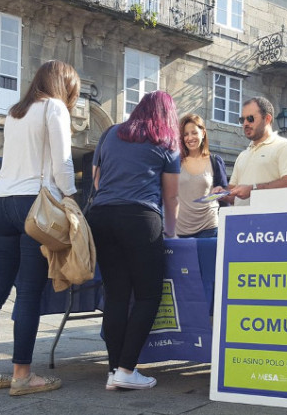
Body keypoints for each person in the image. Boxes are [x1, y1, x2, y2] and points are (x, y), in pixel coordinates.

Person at [0, 60, 79, 396]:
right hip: (33, 204)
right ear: (64, 85)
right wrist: (72, 201)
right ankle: (23, 375)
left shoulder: (14, 112)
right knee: (28, 292)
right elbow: (63, 164)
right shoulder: (55, 108)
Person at [85, 91, 180, 391]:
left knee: (115, 295)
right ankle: (127, 368)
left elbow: (97, 180)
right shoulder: (166, 142)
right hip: (140, 218)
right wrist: (172, 233)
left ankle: (115, 370)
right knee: (148, 295)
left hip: (101, 216)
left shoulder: (111, 133)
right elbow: (171, 196)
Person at [213, 97, 287, 205]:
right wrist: (222, 193)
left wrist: (253, 189)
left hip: (269, 219)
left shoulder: (285, 147)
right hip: (239, 219)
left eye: (250, 118)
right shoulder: (242, 155)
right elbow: (233, 196)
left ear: (267, 119)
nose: (245, 124)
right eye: (242, 120)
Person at [175, 114, 228, 238]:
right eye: (185, 134)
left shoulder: (215, 161)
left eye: (194, 132)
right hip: (179, 232)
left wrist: (222, 193)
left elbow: (225, 198)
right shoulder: (175, 162)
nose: (190, 138)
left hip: (209, 228)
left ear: (203, 133)